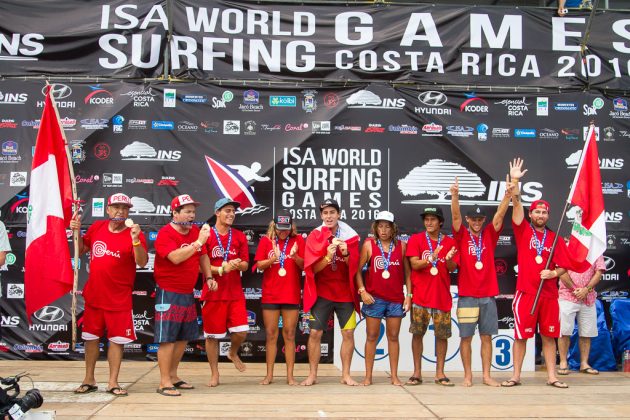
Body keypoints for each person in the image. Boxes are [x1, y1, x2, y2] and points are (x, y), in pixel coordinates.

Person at [501, 158, 572, 389]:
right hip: (527, 293)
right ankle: (516, 376)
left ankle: (552, 376)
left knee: (550, 337)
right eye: (537, 212)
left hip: (550, 295)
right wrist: (515, 181)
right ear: (531, 215)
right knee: (521, 336)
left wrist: (554, 273)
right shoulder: (523, 231)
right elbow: (518, 206)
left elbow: (564, 266)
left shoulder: (556, 238)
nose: (540, 215)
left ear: (548, 216)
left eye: (544, 212)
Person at [70, 193, 148, 396]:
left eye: (124, 208)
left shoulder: (134, 232)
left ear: (129, 211)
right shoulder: (97, 227)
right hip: (95, 295)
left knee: (116, 341)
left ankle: (113, 382)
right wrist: (75, 232)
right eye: (116, 207)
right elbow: (81, 250)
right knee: (91, 339)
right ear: (108, 209)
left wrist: (136, 241)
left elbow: (141, 262)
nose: (120, 211)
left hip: (119, 298)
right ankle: (89, 379)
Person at [450, 174, 512, 387]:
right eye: (473, 219)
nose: (476, 223)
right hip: (467, 296)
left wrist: (508, 196)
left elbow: (500, 216)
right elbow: (455, 216)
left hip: (487, 296)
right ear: (468, 220)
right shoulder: (461, 236)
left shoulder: (489, 235)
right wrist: (455, 196)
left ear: (483, 221)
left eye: (479, 220)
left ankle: (486, 375)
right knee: (466, 337)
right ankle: (468, 375)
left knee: (487, 337)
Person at [154, 194, 212, 396]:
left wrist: (210, 276)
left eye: (193, 212)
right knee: (167, 339)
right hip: (168, 292)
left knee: (182, 339)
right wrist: (196, 243)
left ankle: (173, 376)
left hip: (187, 292)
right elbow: (175, 258)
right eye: (187, 211)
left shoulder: (195, 232)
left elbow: (203, 255)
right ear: (175, 213)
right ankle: (163, 382)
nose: (191, 215)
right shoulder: (165, 233)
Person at [301, 198, 360, 386]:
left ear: (339, 214)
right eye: (325, 213)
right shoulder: (314, 236)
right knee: (315, 334)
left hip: (345, 294)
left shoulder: (350, 236)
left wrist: (346, 254)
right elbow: (312, 270)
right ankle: (312, 375)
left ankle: (346, 375)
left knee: (348, 333)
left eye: (332, 212)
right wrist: (327, 256)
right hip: (322, 294)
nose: (329, 216)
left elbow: (355, 267)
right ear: (321, 216)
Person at [355, 210, 411, 386]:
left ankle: (394, 376)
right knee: (371, 336)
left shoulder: (401, 246)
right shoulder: (369, 245)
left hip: (395, 299)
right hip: (375, 299)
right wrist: (363, 291)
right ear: (376, 227)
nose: (384, 230)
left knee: (393, 337)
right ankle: (368, 376)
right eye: (380, 226)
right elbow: (357, 271)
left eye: (387, 226)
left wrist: (408, 295)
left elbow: (408, 274)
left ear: (393, 228)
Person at [202, 197, 250, 387]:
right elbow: (200, 266)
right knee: (212, 336)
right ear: (217, 213)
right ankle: (215, 373)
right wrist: (221, 269)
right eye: (227, 210)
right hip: (213, 293)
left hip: (235, 293)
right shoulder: (206, 234)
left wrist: (238, 264)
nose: (231, 214)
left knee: (242, 332)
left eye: (233, 211)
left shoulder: (238, 236)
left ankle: (232, 351)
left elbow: (246, 264)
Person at [253, 210, 304, 385]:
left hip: (291, 293)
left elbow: (305, 265)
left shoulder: (298, 240)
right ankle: (269, 376)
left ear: (292, 226)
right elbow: (259, 264)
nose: (283, 232)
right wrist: (273, 258)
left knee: (290, 335)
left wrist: (296, 256)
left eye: (286, 229)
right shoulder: (266, 241)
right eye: (280, 228)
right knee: (271, 335)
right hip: (271, 294)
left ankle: (290, 377)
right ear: (274, 226)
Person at [557, 256, 605, 375]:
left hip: (588, 298)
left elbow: (599, 272)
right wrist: (576, 289)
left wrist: (586, 290)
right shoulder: (568, 248)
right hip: (567, 296)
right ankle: (563, 362)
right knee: (564, 331)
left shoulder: (596, 250)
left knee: (586, 333)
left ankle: (584, 363)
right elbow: (561, 272)